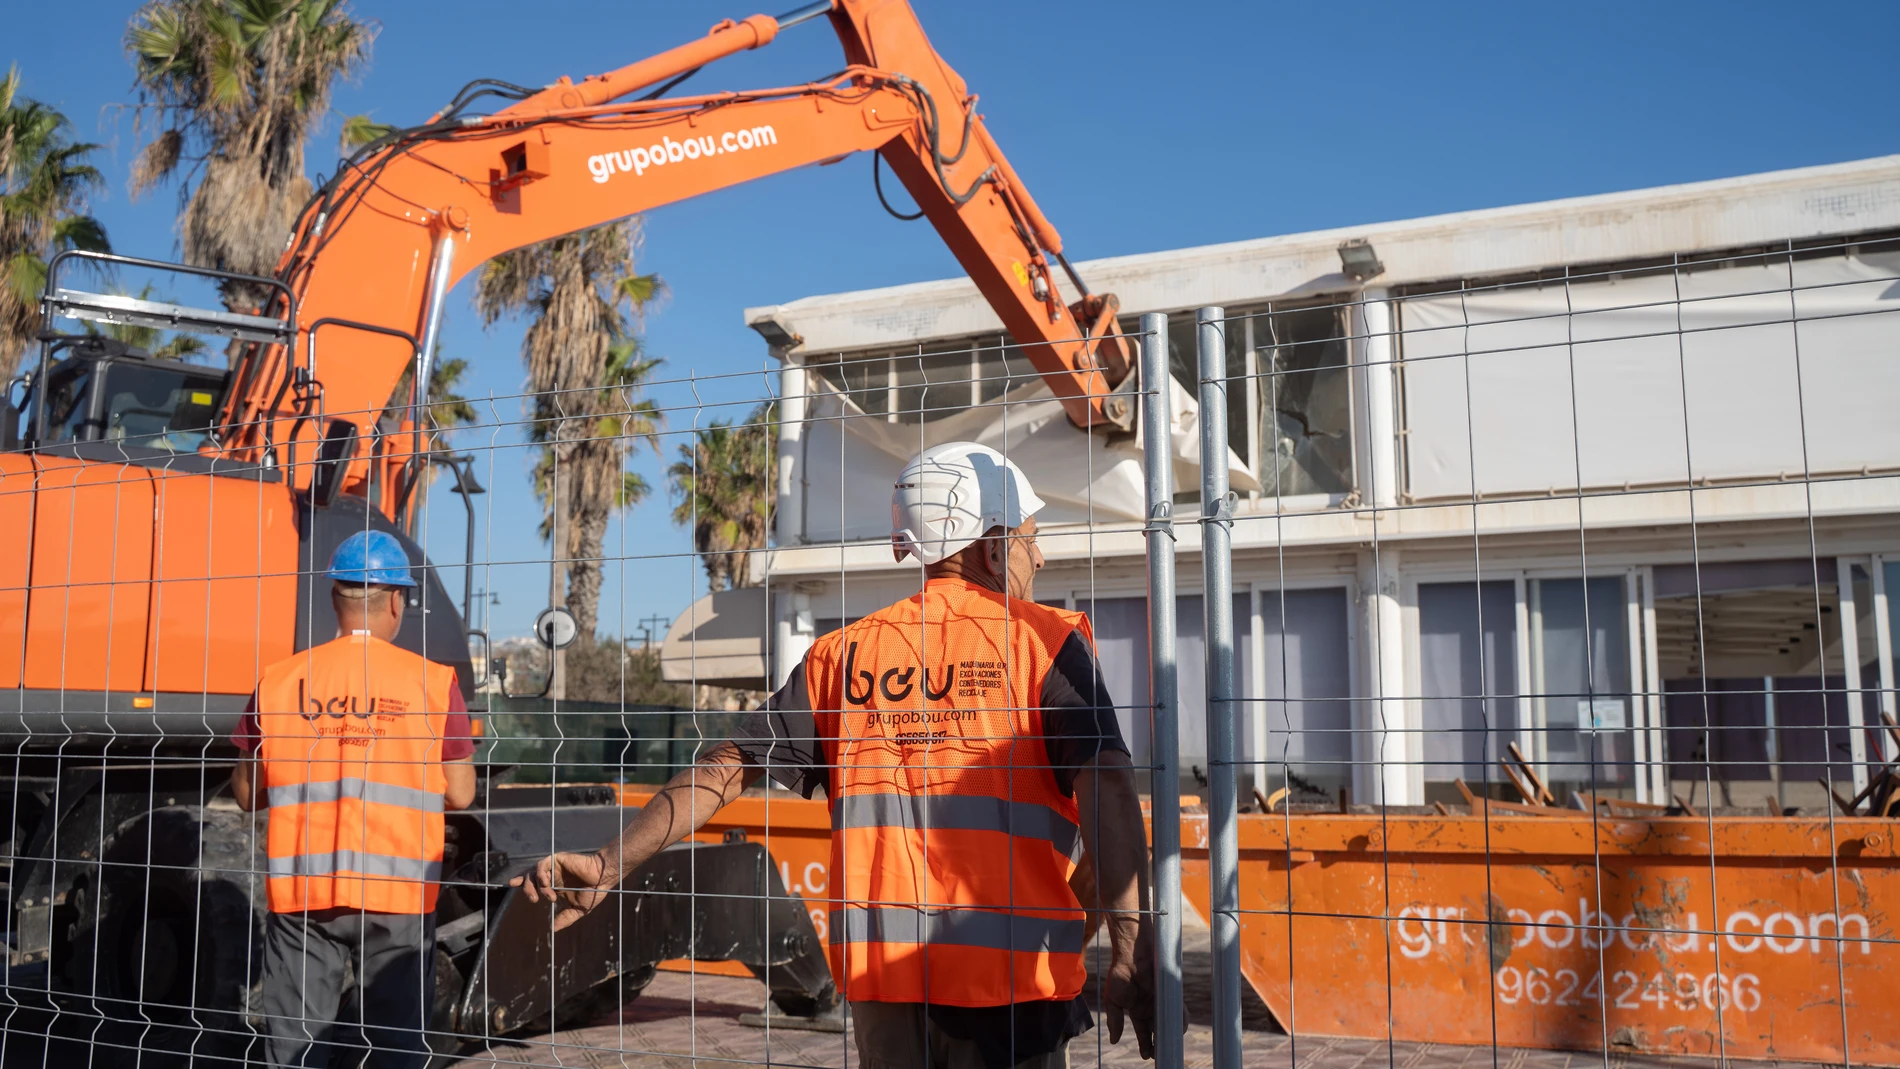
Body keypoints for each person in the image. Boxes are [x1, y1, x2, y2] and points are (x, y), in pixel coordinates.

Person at [517, 442, 1158, 1068]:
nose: (1038, 557)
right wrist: (1130, 947)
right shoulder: (1043, 643)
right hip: (1013, 993)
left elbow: (726, 766)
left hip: (884, 989)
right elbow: (1109, 789)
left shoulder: (844, 656)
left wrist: (608, 862)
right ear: (992, 544)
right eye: (1030, 537)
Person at [230, 529, 478, 1069]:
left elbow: (247, 793)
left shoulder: (278, 681)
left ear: (335, 597)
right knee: (393, 1050)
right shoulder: (434, 683)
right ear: (396, 601)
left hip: (302, 892)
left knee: (295, 1049)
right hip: (398, 892)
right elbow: (460, 791)